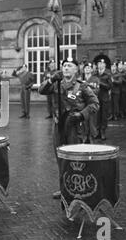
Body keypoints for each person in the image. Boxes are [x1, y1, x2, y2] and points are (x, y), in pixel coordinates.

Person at [39, 58, 99, 199]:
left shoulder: (82, 86)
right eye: (64, 65)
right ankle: (64, 188)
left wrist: (80, 115)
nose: (66, 68)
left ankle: (77, 188)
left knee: (75, 159)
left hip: (74, 127)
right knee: (61, 158)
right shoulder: (56, 84)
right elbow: (41, 90)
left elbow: (95, 104)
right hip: (59, 125)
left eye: (69, 66)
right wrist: (51, 79)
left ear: (76, 69)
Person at [81, 62, 100, 143]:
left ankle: (92, 136)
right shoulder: (80, 79)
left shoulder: (95, 79)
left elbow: (97, 90)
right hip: (83, 102)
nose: (87, 69)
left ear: (92, 69)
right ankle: (85, 136)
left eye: (89, 68)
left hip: (92, 102)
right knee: (84, 120)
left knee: (92, 121)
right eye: (86, 68)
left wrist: (88, 90)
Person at [95, 59, 112, 140]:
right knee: (97, 115)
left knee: (104, 115)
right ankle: (97, 130)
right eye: (99, 63)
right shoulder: (95, 74)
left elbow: (110, 86)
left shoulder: (108, 74)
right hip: (96, 97)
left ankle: (103, 131)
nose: (100, 64)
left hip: (104, 97)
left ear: (105, 65)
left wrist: (101, 83)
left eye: (102, 63)